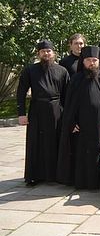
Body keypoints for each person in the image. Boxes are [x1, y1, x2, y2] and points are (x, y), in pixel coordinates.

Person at [57, 46, 100, 189]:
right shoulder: (76, 79)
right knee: (82, 153)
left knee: (98, 152)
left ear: (98, 61)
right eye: (88, 60)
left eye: (94, 60)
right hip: (82, 125)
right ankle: (83, 182)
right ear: (83, 62)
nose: (91, 63)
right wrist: (72, 122)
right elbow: (69, 104)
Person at [17, 40, 70, 186]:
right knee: (36, 142)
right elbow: (21, 92)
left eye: (49, 51)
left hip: (56, 110)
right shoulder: (30, 70)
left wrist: (68, 116)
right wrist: (21, 113)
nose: (46, 53)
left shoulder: (62, 71)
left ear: (54, 53)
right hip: (37, 110)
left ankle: (55, 175)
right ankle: (35, 175)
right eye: (43, 51)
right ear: (38, 53)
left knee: (55, 142)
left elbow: (67, 96)